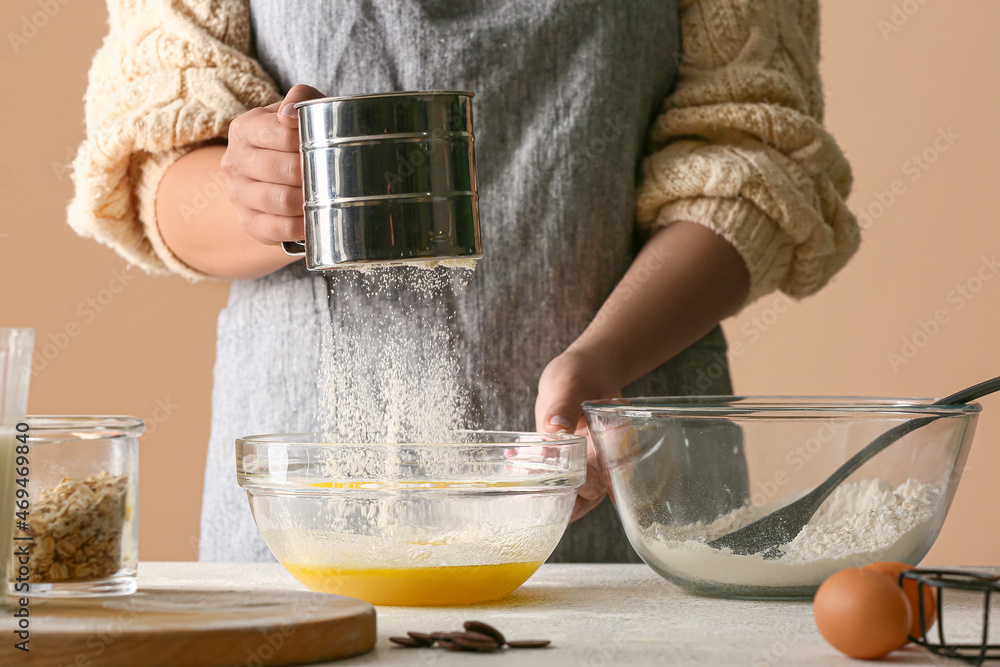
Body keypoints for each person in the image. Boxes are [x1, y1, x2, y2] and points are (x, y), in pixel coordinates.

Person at [67, 0, 858, 563]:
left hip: (618, 474)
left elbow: (752, 160)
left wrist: (604, 361)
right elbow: (149, 167)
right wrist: (256, 194)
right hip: (308, 507)